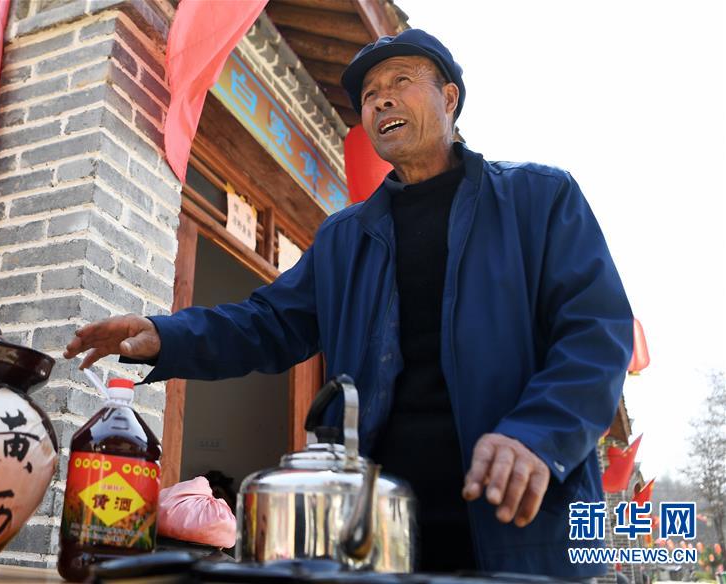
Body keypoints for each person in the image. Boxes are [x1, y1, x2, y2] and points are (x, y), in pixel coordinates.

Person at [63, 28, 633, 579]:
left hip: (520, 519)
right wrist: (165, 336)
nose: (381, 100)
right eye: (369, 95)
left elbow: (596, 333)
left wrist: (539, 434)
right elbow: (268, 323)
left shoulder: (538, 199)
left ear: (449, 98)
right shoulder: (345, 237)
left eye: (401, 81)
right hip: (377, 526)